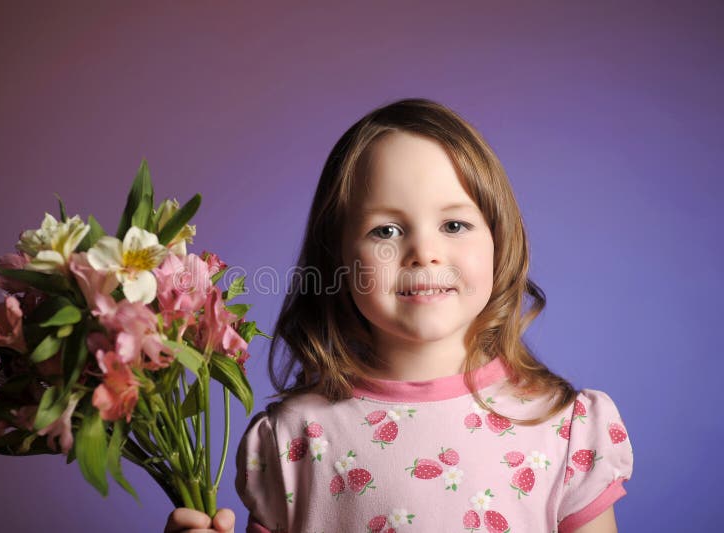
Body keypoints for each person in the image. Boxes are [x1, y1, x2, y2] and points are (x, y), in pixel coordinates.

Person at [165, 98, 634, 533]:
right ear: (338, 260)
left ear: (499, 240)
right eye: (385, 230)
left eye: (454, 224)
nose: (424, 252)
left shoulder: (563, 429)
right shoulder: (294, 439)